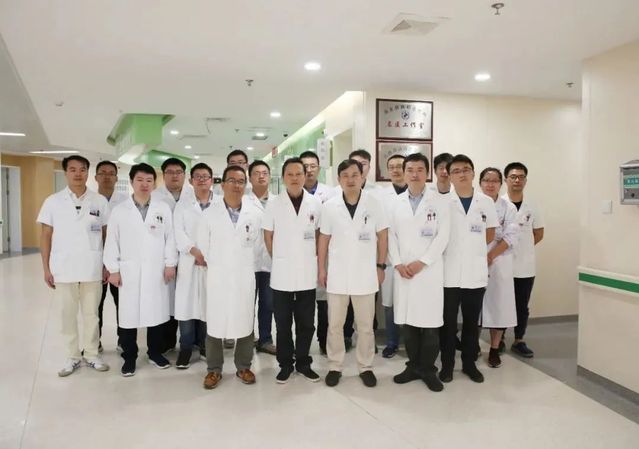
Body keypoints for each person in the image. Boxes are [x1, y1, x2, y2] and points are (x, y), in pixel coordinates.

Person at [37, 155, 110, 376]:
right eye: (73, 169)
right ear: (66, 173)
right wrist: (46, 268)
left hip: (92, 267)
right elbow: (45, 236)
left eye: (82, 169)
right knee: (66, 315)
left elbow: (106, 235)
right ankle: (72, 356)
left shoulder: (99, 201)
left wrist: (107, 265)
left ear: (88, 172)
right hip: (63, 268)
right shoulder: (53, 201)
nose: (78, 174)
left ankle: (91, 354)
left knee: (92, 315)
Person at [318, 159, 388, 387]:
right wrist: (321, 268)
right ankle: (335, 365)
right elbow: (324, 239)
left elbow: (383, 236)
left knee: (365, 326)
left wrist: (381, 266)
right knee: (335, 325)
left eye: (354, 175)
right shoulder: (330, 206)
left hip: (365, 274)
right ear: (338, 179)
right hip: (337, 274)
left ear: (362, 177)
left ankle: (365, 366)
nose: (350, 179)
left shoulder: (374, 203)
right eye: (345, 175)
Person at [104, 163, 178, 376]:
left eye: (149, 180)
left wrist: (170, 264)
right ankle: (129, 357)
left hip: (156, 270)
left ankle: (155, 353)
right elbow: (112, 241)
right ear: (131, 182)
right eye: (140, 180)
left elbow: (170, 238)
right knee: (128, 316)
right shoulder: (120, 211)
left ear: (154, 183)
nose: (144, 184)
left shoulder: (162, 208)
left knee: (156, 314)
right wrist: (113, 269)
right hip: (129, 271)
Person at [388, 153, 450, 392]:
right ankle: (413, 366)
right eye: (410, 170)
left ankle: (428, 369)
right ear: (404, 174)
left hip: (428, 272)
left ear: (427, 173)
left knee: (430, 324)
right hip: (403, 271)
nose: (414, 174)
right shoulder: (395, 203)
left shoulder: (440, 202)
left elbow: (443, 237)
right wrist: (397, 263)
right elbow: (389, 235)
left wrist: (422, 262)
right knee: (409, 324)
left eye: (420, 170)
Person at [198, 165, 261, 389]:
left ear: (246, 185)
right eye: (232, 181)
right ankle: (214, 369)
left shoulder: (254, 214)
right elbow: (203, 246)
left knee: (245, 320)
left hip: (244, 275)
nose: (236, 185)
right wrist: (221, 263)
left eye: (241, 181)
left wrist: (240, 262)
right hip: (218, 275)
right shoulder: (209, 214)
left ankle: (243, 366)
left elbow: (258, 246)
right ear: (222, 184)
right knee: (215, 322)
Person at [263, 157, 322, 384]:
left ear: (305, 176)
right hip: (282, 272)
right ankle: (285, 364)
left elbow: (318, 234)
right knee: (283, 323)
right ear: (284, 177)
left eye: (299, 174)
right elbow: (268, 235)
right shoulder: (274, 203)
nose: (295, 178)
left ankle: (304, 363)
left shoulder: (315, 203)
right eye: (290, 174)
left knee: (307, 323)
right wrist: (279, 258)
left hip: (307, 271)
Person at [440, 154, 498, 384]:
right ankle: (447, 365)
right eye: (456, 171)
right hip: (449, 273)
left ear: (473, 173)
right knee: (448, 324)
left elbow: (490, 233)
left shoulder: (486, 202)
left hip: (475, 272)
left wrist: (472, 248)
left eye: (466, 169)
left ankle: (469, 364)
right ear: (450, 176)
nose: (462, 174)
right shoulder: (443, 202)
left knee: (472, 323)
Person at [173, 163, 214, 369]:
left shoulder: (220, 204)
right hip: (189, 261)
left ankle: (206, 346)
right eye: (198, 176)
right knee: (186, 307)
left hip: (211, 262)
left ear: (212, 180)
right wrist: (195, 251)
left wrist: (208, 255)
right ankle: (186, 348)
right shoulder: (183, 205)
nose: (202, 180)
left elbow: (223, 233)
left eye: (205, 176)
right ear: (191, 181)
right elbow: (178, 232)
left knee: (208, 305)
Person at [503, 162, 545, 358]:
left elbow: (539, 233)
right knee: (501, 302)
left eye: (521, 177)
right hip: (502, 264)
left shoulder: (533, 206)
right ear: (506, 180)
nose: (517, 180)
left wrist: (523, 249)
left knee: (522, 305)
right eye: (513, 177)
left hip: (525, 266)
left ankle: (519, 340)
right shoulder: (499, 204)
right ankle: (499, 339)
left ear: (526, 180)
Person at [479, 168, 518, 368]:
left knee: (499, 306)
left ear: (500, 184)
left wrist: (491, 256)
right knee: (475, 306)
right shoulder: (474, 203)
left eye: (494, 181)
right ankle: (473, 346)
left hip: (500, 261)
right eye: (486, 180)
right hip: (475, 260)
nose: (490, 184)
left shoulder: (508, 208)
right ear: (480, 183)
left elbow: (511, 236)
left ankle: (494, 349)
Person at [152, 157, 193, 353]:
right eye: (170, 172)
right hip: (162, 256)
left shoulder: (194, 194)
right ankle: (167, 341)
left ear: (184, 175)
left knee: (188, 298)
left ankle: (191, 340)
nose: (174, 176)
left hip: (189, 255)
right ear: (164, 175)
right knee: (165, 300)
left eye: (179, 172)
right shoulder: (155, 197)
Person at [300, 150, 336, 355]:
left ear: (319, 168)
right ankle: (303, 344)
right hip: (302, 255)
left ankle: (324, 341)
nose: (309, 170)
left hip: (325, 253)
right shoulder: (293, 193)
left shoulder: (330, 193)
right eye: (305, 166)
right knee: (304, 301)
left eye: (313, 166)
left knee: (324, 301)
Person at [94, 160, 128, 352]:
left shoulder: (126, 202)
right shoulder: (89, 201)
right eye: (102, 173)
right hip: (94, 263)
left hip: (119, 264)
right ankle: (94, 342)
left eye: (111, 173)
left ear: (116, 178)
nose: (106, 176)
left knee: (121, 303)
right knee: (94, 305)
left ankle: (123, 340)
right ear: (96, 177)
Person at [379, 154, 407, 358]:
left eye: (400, 166)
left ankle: (413, 343)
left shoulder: (422, 194)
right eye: (392, 167)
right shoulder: (380, 196)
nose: (396, 170)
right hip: (389, 258)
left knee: (413, 301)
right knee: (389, 303)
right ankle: (392, 342)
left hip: (413, 258)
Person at [247, 160, 277, 355]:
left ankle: (265, 339)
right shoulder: (243, 201)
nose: (261, 176)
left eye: (265, 172)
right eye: (256, 173)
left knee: (268, 303)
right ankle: (246, 338)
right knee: (247, 303)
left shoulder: (278, 201)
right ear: (250, 177)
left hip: (270, 261)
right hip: (247, 262)